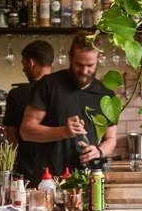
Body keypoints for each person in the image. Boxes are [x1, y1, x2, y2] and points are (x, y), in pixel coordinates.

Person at [20, 32, 117, 182]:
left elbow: (111, 139)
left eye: (90, 65)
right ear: (70, 56)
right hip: (49, 182)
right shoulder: (48, 85)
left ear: (99, 58)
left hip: (88, 182)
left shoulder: (106, 95)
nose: (84, 71)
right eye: (79, 64)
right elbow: (26, 130)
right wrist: (63, 131)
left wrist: (99, 151)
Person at [2, 39, 54, 187]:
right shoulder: (62, 91)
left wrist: (12, 164)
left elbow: (12, 137)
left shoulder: (17, 94)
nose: (23, 69)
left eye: (24, 64)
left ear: (31, 63)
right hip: (58, 168)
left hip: (27, 170)